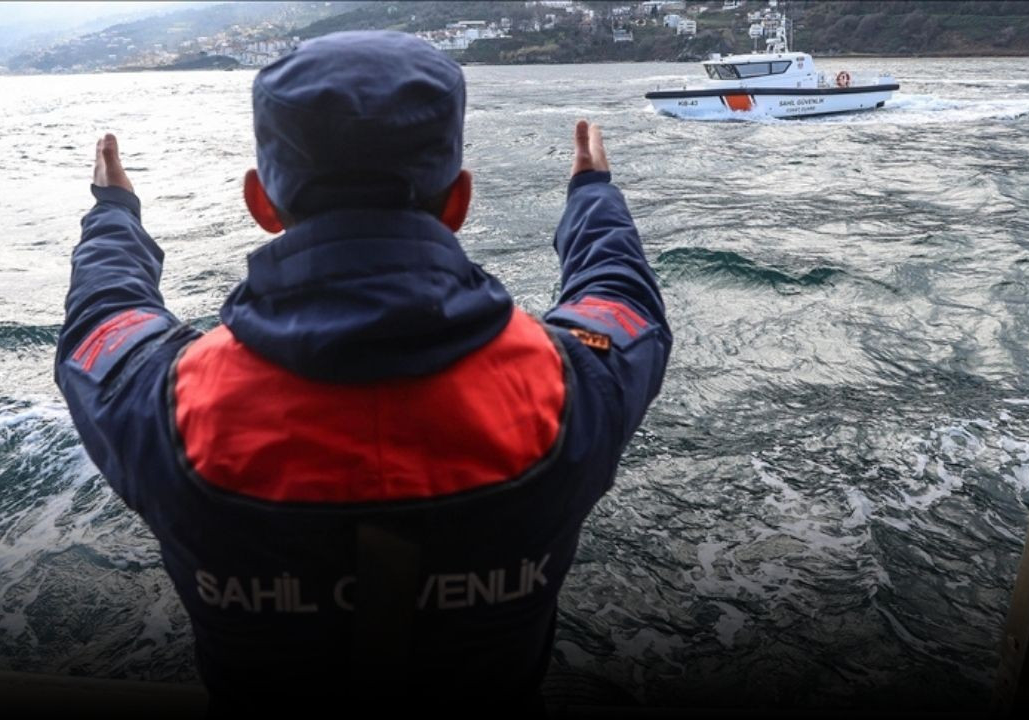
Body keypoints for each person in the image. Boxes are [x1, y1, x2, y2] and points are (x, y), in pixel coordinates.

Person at [56, 31, 671, 710]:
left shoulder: (167, 408)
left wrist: (114, 215)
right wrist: (592, 196)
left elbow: (105, 320)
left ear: (260, 203)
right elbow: (620, 302)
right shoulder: (568, 388)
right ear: (459, 201)